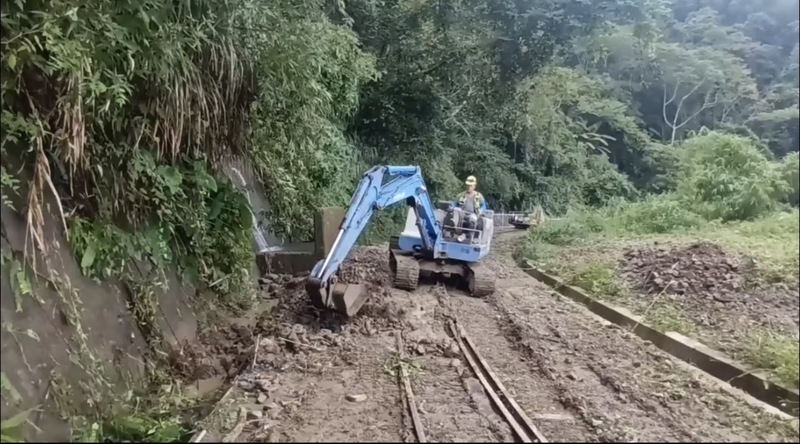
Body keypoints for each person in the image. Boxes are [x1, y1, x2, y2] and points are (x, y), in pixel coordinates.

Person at [451, 175, 487, 241]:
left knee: (472, 219)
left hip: (473, 214)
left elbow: (483, 206)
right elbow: (454, 204)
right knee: (455, 217)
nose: (468, 187)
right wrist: (454, 208)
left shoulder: (479, 196)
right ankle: (454, 233)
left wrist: (481, 211)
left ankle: (467, 236)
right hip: (462, 214)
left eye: (470, 186)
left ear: (474, 186)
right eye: (467, 185)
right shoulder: (461, 195)